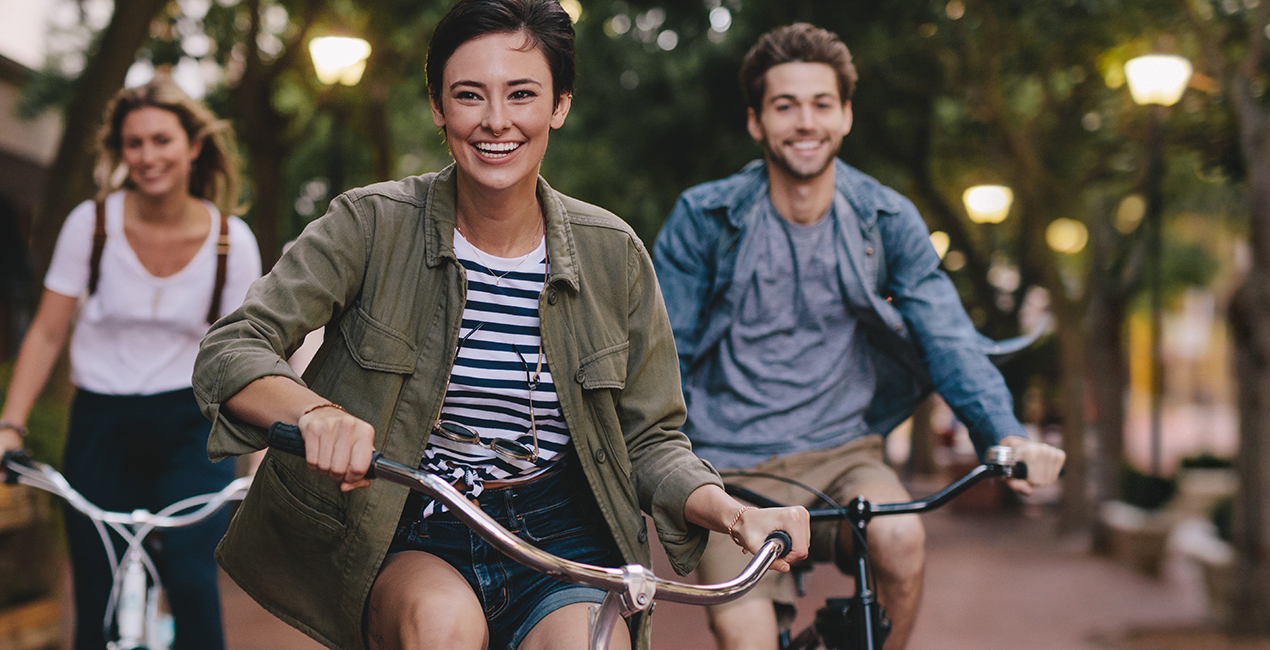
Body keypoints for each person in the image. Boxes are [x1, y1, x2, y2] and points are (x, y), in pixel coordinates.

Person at [191, 2, 810, 649]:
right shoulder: (370, 223)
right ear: (438, 107)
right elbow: (232, 348)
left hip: (559, 534)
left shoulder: (614, 253)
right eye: (468, 95)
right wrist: (316, 412)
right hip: (418, 522)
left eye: (521, 94)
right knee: (442, 627)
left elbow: (650, 440)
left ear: (559, 104)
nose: (496, 120)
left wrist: (737, 513)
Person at [651, 23, 1068, 650]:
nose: (805, 122)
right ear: (756, 122)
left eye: (822, 104)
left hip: (845, 453)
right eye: (784, 106)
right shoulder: (704, 218)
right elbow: (664, 356)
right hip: (727, 464)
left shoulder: (887, 218)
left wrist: (1003, 435)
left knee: (902, 539)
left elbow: (948, 336)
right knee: (748, 640)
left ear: (846, 115)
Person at [0, 76, 261, 650]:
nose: (147, 157)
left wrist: (259, 458)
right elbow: (49, 331)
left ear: (193, 146)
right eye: (134, 143)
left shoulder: (232, 240)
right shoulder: (92, 224)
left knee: (189, 574)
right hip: (101, 422)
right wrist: (9, 427)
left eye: (161, 140)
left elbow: (247, 355)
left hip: (192, 427)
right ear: (119, 151)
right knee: (95, 594)